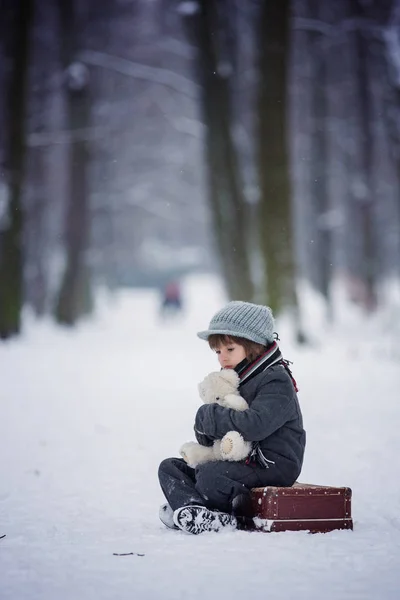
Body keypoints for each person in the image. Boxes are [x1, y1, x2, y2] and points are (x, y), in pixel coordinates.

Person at [158, 300, 306, 535]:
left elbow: (255, 425)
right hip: (237, 460)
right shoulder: (234, 379)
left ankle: (219, 516)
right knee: (170, 467)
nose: (222, 358)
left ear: (253, 345)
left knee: (210, 476)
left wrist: (210, 417)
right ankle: (192, 510)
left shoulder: (275, 380)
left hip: (271, 464)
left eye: (230, 350)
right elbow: (212, 441)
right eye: (218, 351)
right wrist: (204, 426)